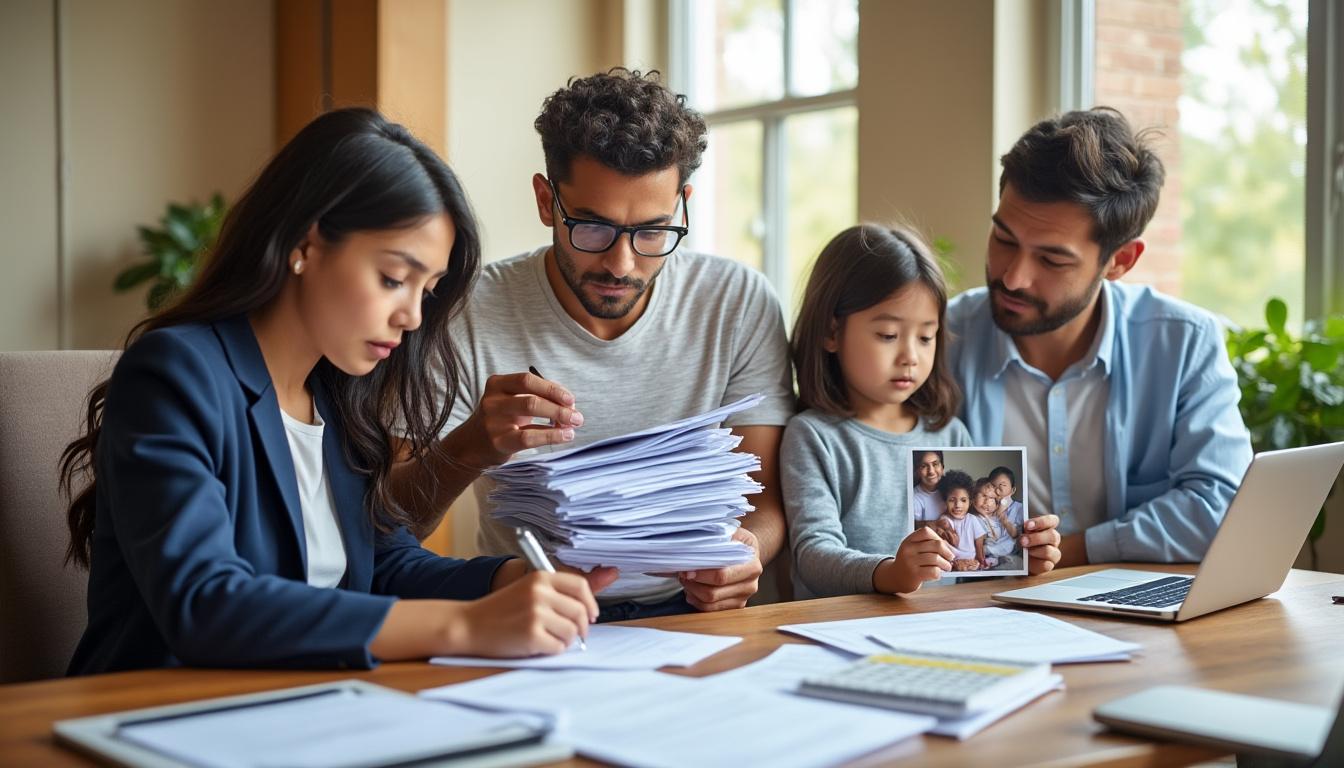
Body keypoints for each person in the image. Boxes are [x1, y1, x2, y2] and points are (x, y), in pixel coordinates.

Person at [61, 108, 614, 675]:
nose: (413, 317)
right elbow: (206, 603)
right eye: (394, 278)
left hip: (303, 707)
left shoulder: (334, 392)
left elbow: (381, 564)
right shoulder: (176, 374)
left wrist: (514, 579)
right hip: (156, 715)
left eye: (428, 289)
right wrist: (468, 627)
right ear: (307, 241)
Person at [388, 69, 795, 620]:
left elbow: (763, 501)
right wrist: (468, 448)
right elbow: (394, 523)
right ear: (545, 200)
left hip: (698, 616)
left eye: (653, 230)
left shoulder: (737, 301)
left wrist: (747, 551)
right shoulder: (463, 311)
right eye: (592, 228)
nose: (621, 264)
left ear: (682, 204)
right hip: (529, 610)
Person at [946, 108, 1253, 566]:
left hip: (1136, 616)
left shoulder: (1184, 344)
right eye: (1004, 239)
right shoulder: (940, 340)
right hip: (979, 615)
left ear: (1120, 261)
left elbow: (1224, 509)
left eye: (1051, 260)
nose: (1012, 278)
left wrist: (1069, 553)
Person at [781, 224, 1040, 600]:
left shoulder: (950, 433)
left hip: (945, 625)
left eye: (925, 337)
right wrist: (889, 573)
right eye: (887, 335)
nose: (910, 357)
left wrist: (1024, 554)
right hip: (842, 629)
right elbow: (813, 555)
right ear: (832, 332)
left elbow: (977, 544)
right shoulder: (814, 437)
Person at [938, 471, 989, 571]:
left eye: (963, 500)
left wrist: (981, 559)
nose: (958, 505)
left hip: (970, 557)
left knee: (976, 564)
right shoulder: (945, 518)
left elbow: (979, 543)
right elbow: (945, 530)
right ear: (945, 501)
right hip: (952, 557)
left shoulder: (972, 519)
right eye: (952, 500)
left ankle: (966, 564)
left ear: (970, 502)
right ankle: (955, 564)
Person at [975, 473, 1021, 569]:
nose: (987, 501)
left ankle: (994, 558)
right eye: (983, 496)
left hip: (997, 548)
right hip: (983, 549)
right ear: (973, 499)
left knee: (1010, 543)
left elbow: (1011, 535)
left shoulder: (999, 517)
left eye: (991, 498)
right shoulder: (973, 518)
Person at [912, 450, 946, 526]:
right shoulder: (914, 497)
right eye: (924, 466)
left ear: (942, 468)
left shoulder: (951, 489)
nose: (931, 471)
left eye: (935, 464)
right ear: (917, 471)